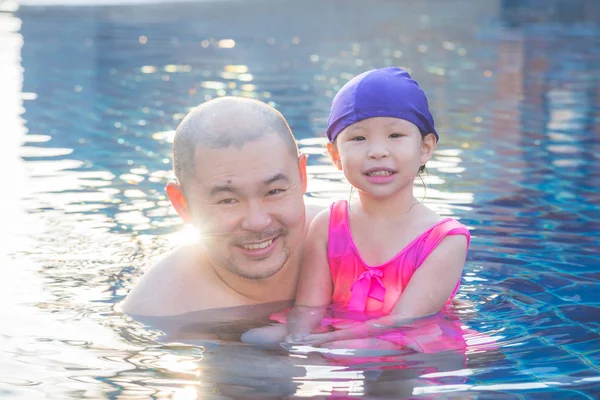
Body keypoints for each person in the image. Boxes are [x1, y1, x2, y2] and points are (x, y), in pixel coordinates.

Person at [242, 67, 471, 350]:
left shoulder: (445, 240)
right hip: (341, 330)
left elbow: (405, 321)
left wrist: (327, 342)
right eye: (358, 138)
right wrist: (298, 338)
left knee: (377, 349)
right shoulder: (328, 226)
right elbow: (309, 307)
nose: (377, 151)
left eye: (395, 135)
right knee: (255, 338)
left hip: (405, 337)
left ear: (425, 147)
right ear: (336, 155)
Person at [122, 96, 321, 320]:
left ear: (302, 176)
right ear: (182, 204)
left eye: (273, 192)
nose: (257, 221)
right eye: (228, 200)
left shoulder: (350, 239)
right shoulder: (158, 310)